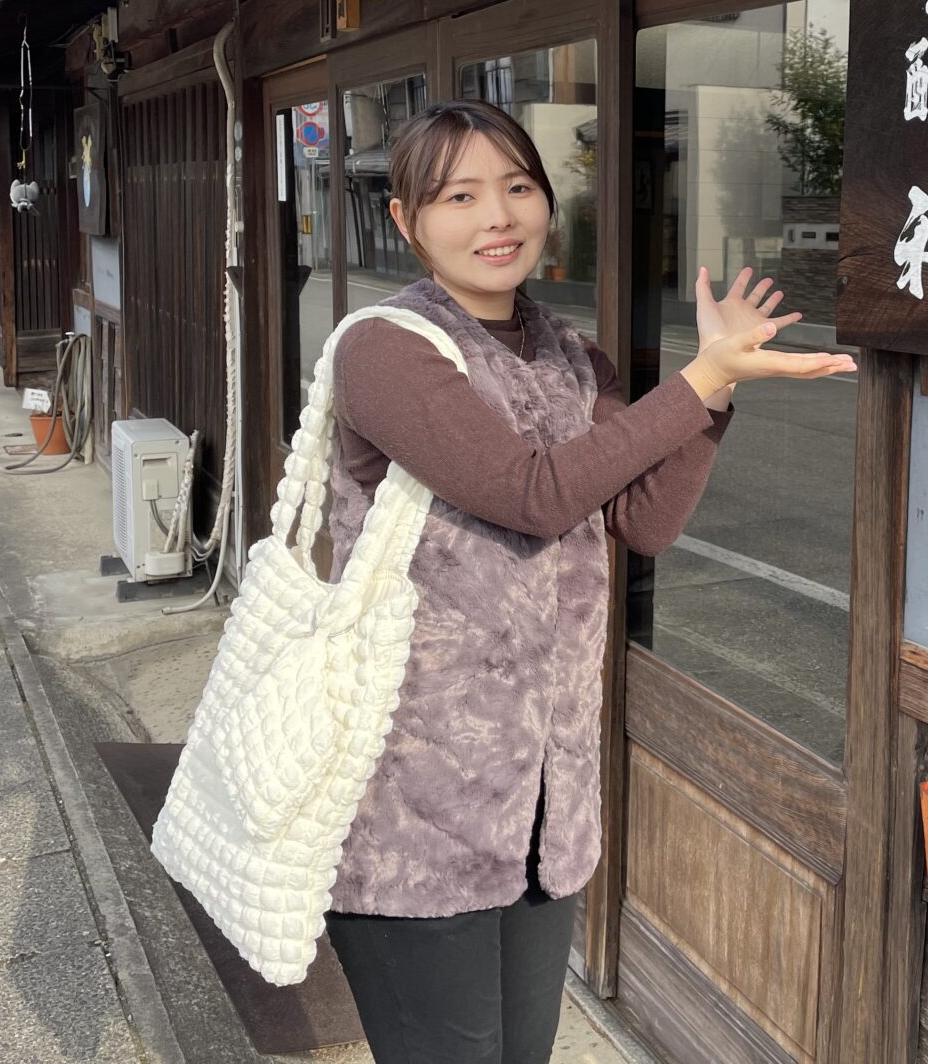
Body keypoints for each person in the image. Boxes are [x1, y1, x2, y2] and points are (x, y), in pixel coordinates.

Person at [320, 99, 855, 1063]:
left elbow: (640, 521)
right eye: (460, 195)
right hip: (415, 803)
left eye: (518, 188)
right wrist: (691, 384)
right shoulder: (384, 349)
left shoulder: (573, 358)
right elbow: (533, 494)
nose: (497, 217)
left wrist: (718, 391)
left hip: (543, 809)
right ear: (405, 221)